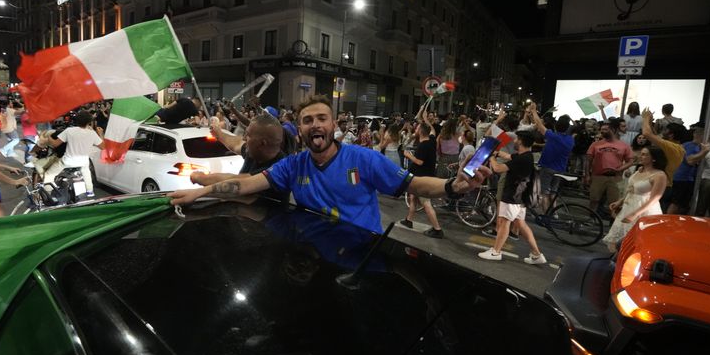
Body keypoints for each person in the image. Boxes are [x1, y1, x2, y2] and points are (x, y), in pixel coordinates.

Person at [170, 95, 490, 233]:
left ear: (332, 123)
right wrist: (198, 192)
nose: (314, 124)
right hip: (311, 256)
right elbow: (246, 183)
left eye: (321, 118)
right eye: (307, 120)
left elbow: (414, 184)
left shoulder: (363, 159)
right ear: (301, 129)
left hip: (358, 259)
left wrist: (451, 186)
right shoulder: (293, 165)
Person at [478, 131, 547, 265]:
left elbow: (497, 169)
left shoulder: (521, 159)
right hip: (520, 197)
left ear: (520, 141)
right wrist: (497, 153)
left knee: (504, 222)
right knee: (521, 225)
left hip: (512, 196)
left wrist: (491, 157)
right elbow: (508, 156)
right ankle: (536, 254)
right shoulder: (526, 156)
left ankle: (495, 252)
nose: (514, 141)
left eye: (516, 139)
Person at [192, 114, 287, 199]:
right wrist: (219, 134)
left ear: (262, 144)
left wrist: (200, 177)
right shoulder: (255, 151)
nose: (244, 138)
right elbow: (236, 143)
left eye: (248, 135)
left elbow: (239, 181)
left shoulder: (279, 168)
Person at [603, 146, 668, 253]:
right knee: (617, 240)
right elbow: (631, 190)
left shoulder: (659, 175)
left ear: (654, 158)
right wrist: (620, 201)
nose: (640, 156)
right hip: (629, 206)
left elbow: (654, 199)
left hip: (644, 210)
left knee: (635, 242)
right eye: (641, 153)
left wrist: (634, 214)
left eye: (644, 154)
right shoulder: (639, 170)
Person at [399, 122, 444, 238]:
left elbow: (419, 162)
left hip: (422, 179)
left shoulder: (424, 145)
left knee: (426, 203)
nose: (416, 130)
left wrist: (409, 156)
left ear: (421, 131)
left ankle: (437, 229)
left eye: (417, 128)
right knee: (413, 198)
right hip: (422, 177)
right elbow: (433, 131)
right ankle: (408, 220)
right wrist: (424, 118)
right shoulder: (431, 141)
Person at [45, 111, 104, 198]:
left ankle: (48, 194)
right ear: (89, 122)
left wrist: (49, 137)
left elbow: (55, 144)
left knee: (48, 175)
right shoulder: (92, 133)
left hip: (67, 161)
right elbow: (103, 147)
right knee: (86, 171)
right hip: (83, 162)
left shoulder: (69, 131)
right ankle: (90, 191)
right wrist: (101, 134)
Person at [527, 104, 574, 213]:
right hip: (561, 169)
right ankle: (555, 213)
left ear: (556, 126)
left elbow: (538, 124)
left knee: (544, 192)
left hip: (548, 167)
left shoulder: (553, 136)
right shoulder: (570, 140)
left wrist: (534, 111)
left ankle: (546, 215)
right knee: (553, 191)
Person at [585, 120, 634, 216]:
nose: (603, 131)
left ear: (613, 130)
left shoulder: (623, 145)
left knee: (614, 202)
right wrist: (587, 174)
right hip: (598, 176)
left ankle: (613, 223)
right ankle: (590, 219)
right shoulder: (595, 144)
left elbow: (631, 161)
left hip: (615, 177)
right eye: (602, 129)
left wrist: (620, 169)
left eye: (606, 129)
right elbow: (588, 160)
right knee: (594, 199)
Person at [667, 126, 706, 215]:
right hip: (683, 178)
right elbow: (689, 160)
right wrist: (704, 152)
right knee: (676, 203)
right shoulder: (692, 146)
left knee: (681, 204)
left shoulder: (687, 145)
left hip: (683, 177)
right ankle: (667, 220)